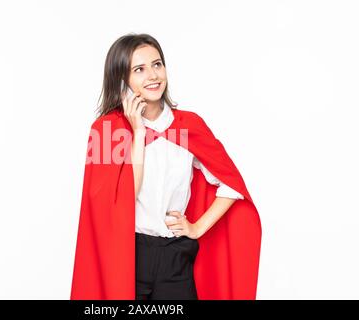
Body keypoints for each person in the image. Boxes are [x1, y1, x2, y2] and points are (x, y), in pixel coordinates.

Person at [70, 33, 262, 300]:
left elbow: (231, 183)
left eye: (157, 64)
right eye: (139, 69)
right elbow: (120, 200)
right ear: (122, 79)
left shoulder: (187, 126)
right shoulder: (107, 130)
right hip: (127, 258)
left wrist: (197, 228)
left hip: (176, 258)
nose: (153, 75)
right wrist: (138, 133)